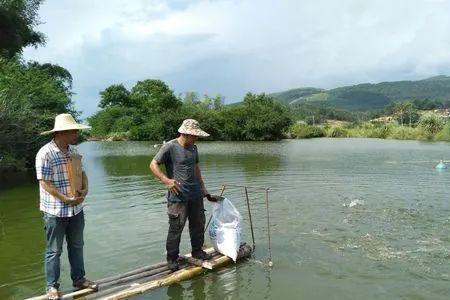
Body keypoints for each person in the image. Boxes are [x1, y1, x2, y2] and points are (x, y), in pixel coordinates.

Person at [36, 113, 97, 300]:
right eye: (74, 131)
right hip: (55, 211)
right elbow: (45, 183)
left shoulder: (74, 151)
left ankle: (79, 279)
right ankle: (51, 287)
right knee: (54, 250)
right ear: (62, 132)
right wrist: (65, 198)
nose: (77, 134)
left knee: (77, 246)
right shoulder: (45, 153)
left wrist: (85, 189)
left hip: (76, 210)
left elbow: (82, 173)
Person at [150, 119, 212, 272]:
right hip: (178, 196)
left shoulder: (194, 148)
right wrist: (166, 181)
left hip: (195, 194)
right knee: (176, 227)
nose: (196, 138)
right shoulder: (170, 147)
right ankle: (172, 258)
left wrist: (203, 187)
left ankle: (197, 251)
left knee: (198, 223)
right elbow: (153, 164)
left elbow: (196, 167)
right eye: (194, 135)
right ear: (185, 133)